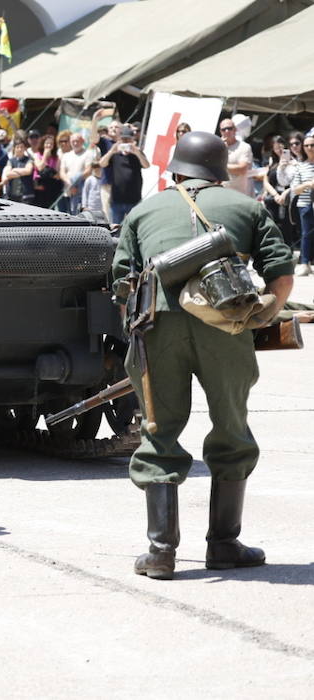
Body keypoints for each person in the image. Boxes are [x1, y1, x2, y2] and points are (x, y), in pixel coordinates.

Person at [112, 130, 294, 580]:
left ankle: (159, 553)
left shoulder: (144, 209)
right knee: (232, 427)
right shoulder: (246, 207)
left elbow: (121, 283)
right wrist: (262, 314)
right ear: (218, 170)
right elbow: (281, 272)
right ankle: (225, 545)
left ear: (175, 169)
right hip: (226, 329)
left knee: (159, 429)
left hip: (156, 329)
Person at [98, 124, 149, 225]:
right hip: (117, 200)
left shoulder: (137, 154)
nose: (125, 142)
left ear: (132, 140)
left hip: (134, 200)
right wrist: (112, 150)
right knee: (116, 230)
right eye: (123, 140)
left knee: (135, 229)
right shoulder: (115, 154)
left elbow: (146, 165)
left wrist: (137, 152)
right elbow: (102, 163)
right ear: (118, 140)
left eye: (128, 140)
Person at [280, 134, 314, 276]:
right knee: (305, 234)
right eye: (306, 145)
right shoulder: (301, 166)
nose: (309, 148)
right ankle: (305, 262)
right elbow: (295, 189)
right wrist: (308, 184)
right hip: (305, 203)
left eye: (312, 145)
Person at [218, 118, 255, 195]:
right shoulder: (217, 147)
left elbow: (242, 169)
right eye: (224, 129)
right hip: (220, 192)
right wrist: (220, 149)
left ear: (235, 130)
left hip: (239, 193)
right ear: (220, 132)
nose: (227, 131)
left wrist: (220, 166)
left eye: (229, 128)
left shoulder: (244, 147)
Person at [32, 131, 65, 210]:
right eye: (47, 143)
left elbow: (57, 173)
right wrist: (45, 156)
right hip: (39, 186)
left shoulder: (57, 157)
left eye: (51, 144)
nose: (49, 145)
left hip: (51, 186)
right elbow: (39, 167)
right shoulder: (37, 155)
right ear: (43, 144)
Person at [0, 137, 35, 203]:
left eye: (22, 147)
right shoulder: (11, 161)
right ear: (14, 148)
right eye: (17, 147)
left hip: (26, 196)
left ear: (25, 148)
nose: (20, 149)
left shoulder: (29, 160)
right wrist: (22, 172)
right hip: (12, 196)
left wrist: (14, 169)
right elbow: (8, 174)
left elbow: (28, 171)